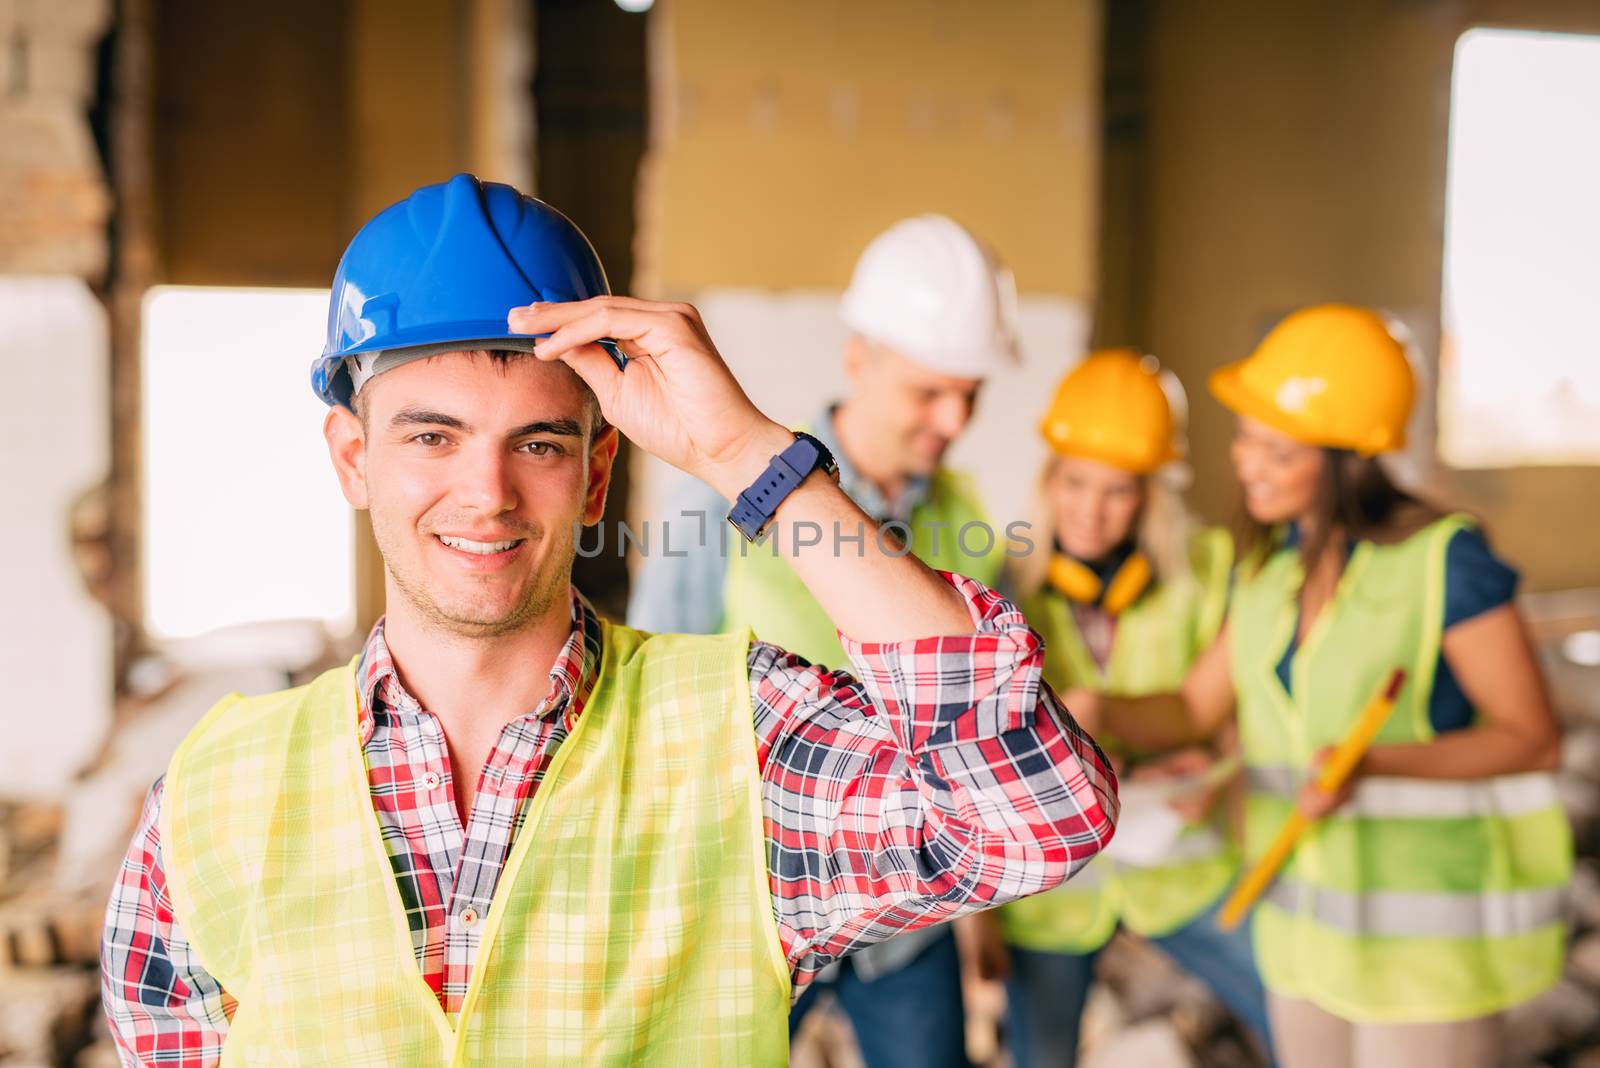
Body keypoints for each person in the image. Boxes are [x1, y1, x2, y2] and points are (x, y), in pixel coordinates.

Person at [97, 174, 1118, 1067]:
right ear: (353, 459)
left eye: (538, 444)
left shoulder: (741, 749)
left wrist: (746, 461)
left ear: (594, 478)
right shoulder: (210, 795)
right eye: (432, 437)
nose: (486, 492)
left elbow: (1039, 816)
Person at [1075, 305, 1569, 1068]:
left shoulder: (1446, 562)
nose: (1247, 465)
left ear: (1348, 461)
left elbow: (1530, 738)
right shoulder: (1267, 571)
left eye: (1279, 452)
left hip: (1420, 958)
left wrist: (1374, 764)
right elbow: (1194, 708)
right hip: (1300, 938)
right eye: (1247, 438)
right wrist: (1097, 706)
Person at [627, 214, 1013, 1066]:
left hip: (910, 917)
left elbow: (987, 741)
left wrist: (985, 914)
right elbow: (650, 702)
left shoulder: (967, 522)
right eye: (928, 391)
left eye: (971, 392)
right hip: (755, 905)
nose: (953, 418)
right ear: (858, 359)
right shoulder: (729, 489)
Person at [971, 350, 1272, 1066]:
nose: (1090, 511)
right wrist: (977, 917)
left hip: (1179, 872)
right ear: (1049, 479)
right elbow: (976, 752)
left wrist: (1217, 773)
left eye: (1118, 491)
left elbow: (1241, 708)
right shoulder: (1000, 584)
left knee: (1289, 1009)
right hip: (1051, 892)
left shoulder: (1207, 571)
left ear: (1151, 496)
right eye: (1075, 482)